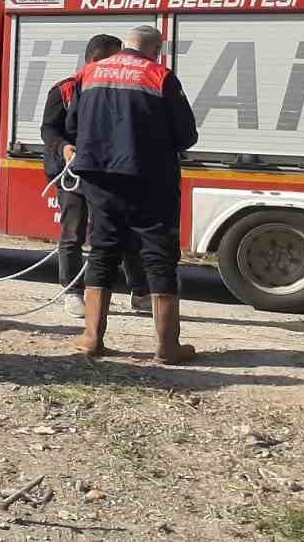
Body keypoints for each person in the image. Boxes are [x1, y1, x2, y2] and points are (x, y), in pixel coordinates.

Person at [66, 25, 199, 364]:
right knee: (158, 256)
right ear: (155, 49)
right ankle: (167, 347)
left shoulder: (89, 73)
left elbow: (72, 126)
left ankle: (92, 338)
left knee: (102, 252)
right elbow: (186, 135)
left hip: (99, 178)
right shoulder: (159, 76)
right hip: (149, 179)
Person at [40, 34, 152, 318]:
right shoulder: (65, 90)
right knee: (73, 232)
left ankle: (139, 292)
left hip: (109, 172)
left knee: (124, 232)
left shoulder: (117, 89)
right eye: (115, 59)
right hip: (72, 173)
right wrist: (64, 147)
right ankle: (73, 293)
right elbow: (48, 130)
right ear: (96, 60)